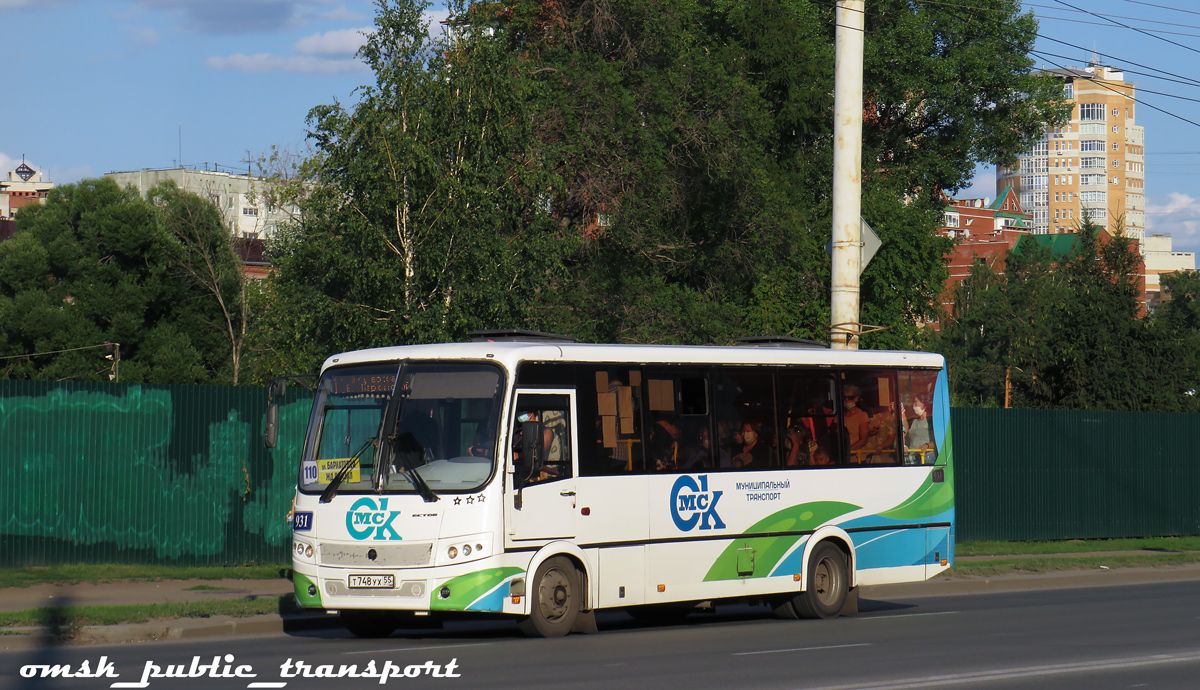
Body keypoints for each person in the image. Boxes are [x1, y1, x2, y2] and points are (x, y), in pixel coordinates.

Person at [840, 385, 870, 463]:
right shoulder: (839, 416)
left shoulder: (862, 416)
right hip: (841, 459)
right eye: (844, 397)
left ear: (856, 399)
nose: (846, 400)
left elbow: (863, 440)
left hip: (857, 459)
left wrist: (847, 452)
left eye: (850, 398)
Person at [903, 397, 936, 464]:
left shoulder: (931, 422)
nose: (914, 406)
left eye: (916, 403)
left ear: (924, 404)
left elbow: (939, 441)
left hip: (925, 457)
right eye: (913, 403)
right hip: (911, 457)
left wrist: (926, 445)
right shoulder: (913, 422)